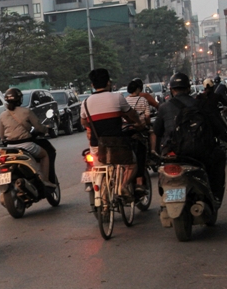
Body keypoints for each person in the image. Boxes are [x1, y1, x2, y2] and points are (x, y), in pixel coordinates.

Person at [153, 73, 226, 205]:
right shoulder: (200, 105)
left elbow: (157, 131)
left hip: (172, 153)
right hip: (199, 152)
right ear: (188, 88)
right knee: (219, 157)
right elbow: (218, 128)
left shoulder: (164, 108)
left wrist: (159, 153)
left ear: (172, 90)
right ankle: (215, 196)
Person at [80, 68, 144, 198]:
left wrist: (91, 128)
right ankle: (124, 185)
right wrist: (138, 124)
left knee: (98, 167)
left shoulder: (85, 102)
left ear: (92, 85)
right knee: (132, 164)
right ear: (109, 82)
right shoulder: (117, 98)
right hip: (117, 144)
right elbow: (131, 116)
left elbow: (84, 122)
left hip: (96, 145)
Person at [0, 88, 54, 187]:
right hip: (27, 145)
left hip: (10, 147)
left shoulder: (2, 115)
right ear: (20, 99)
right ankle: (45, 180)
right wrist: (46, 129)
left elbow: (1, 136)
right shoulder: (26, 111)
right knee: (45, 155)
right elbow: (38, 127)